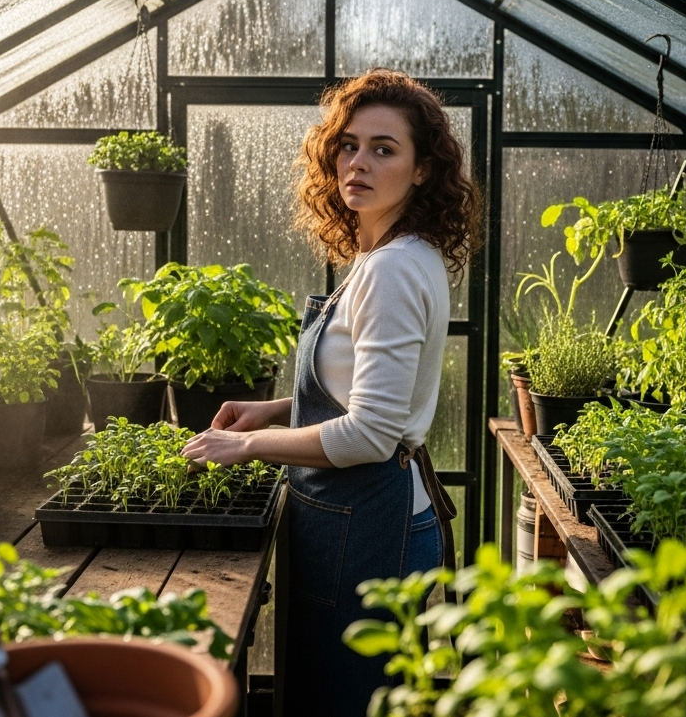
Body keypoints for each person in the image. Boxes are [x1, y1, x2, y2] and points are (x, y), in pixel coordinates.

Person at [181, 69, 482, 716]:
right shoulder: (385, 256)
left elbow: (372, 433)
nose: (358, 162)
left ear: (423, 170)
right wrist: (279, 407)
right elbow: (367, 395)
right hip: (355, 517)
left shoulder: (395, 269)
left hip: (367, 524)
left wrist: (248, 443)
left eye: (384, 148)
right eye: (347, 145)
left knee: (345, 703)